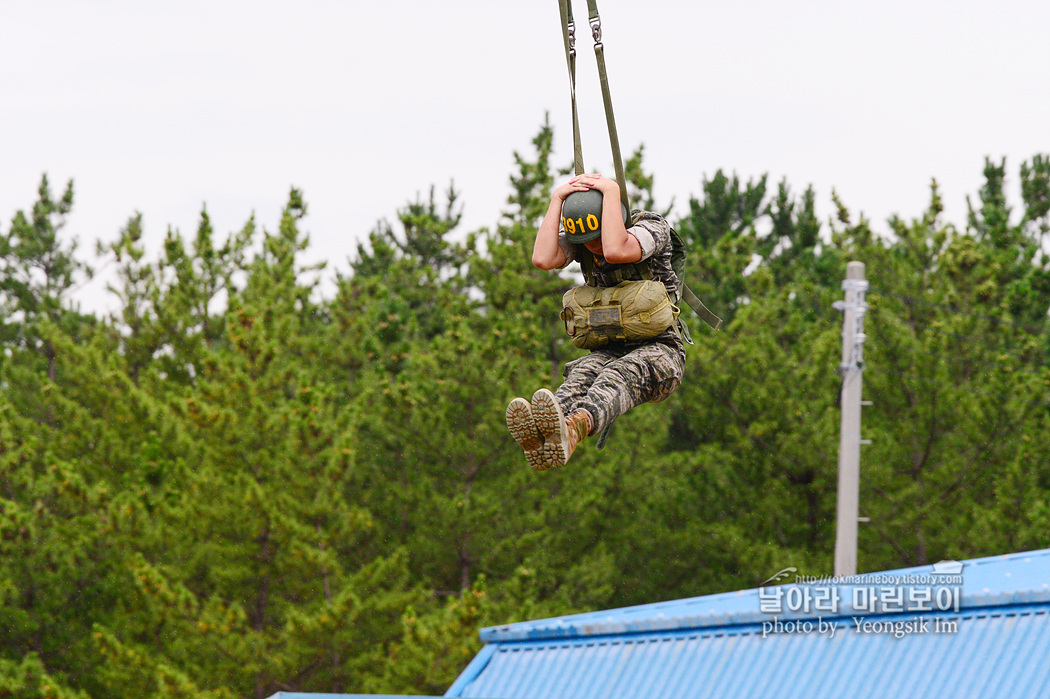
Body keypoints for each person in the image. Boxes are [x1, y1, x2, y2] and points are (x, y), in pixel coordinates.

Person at [506, 173, 686, 471]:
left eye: (597, 238)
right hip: (611, 349)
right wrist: (558, 199)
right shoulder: (585, 241)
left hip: (661, 353)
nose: (595, 249)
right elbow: (542, 259)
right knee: (580, 377)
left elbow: (618, 250)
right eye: (587, 244)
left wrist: (611, 190)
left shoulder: (652, 228)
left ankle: (575, 427)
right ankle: (544, 434)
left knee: (616, 375)